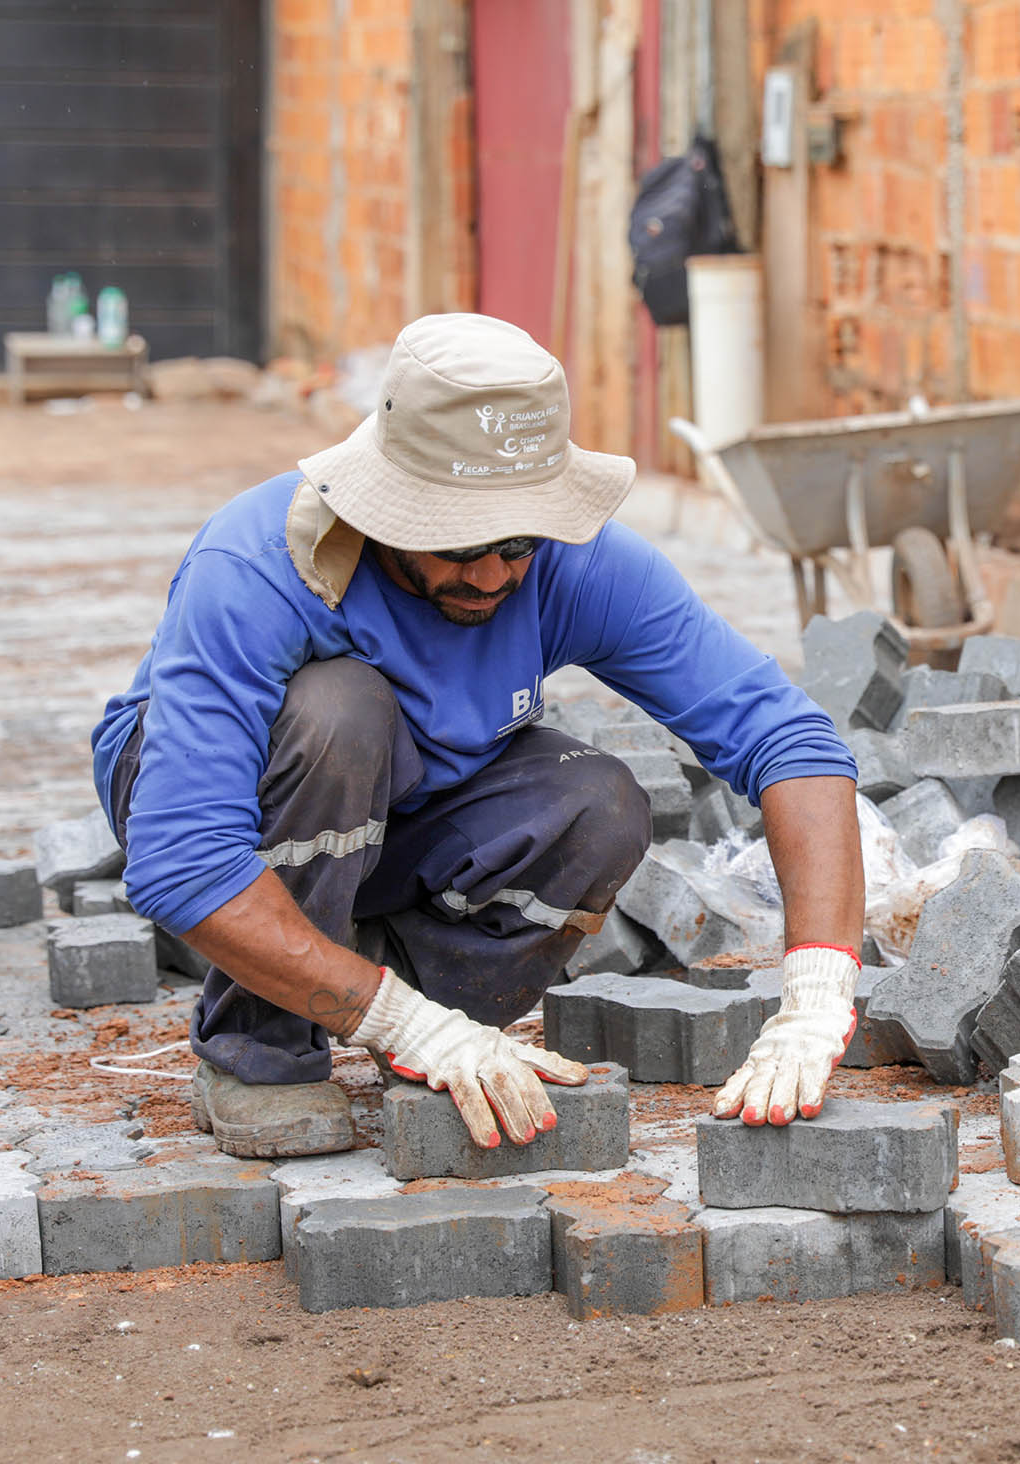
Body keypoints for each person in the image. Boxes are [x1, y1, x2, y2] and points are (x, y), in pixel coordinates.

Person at [91, 313, 865, 1158]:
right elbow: (182, 857)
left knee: (597, 805)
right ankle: (260, 1046)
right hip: (226, 790)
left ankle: (389, 1001)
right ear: (390, 507)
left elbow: (786, 735)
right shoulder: (261, 566)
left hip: (406, 804)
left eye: (518, 542)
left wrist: (818, 990)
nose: (496, 574)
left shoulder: (576, 564)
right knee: (342, 711)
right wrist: (394, 1019)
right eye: (462, 544)